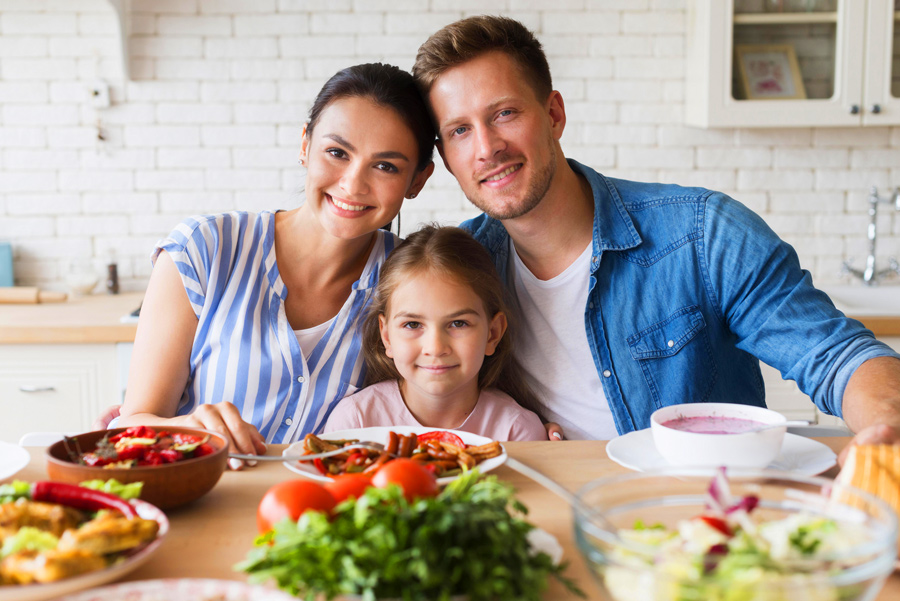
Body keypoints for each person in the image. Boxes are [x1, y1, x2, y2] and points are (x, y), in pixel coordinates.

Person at [412, 15, 900, 457]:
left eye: (504, 114)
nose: (487, 148)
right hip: (551, 503)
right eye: (459, 131)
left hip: (701, 509)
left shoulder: (704, 233)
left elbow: (837, 356)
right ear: (443, 157)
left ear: (554, 115)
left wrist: (887, 427)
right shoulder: (461, 268)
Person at [117, 63, 436, 463]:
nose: (353, 184)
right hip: (204, 505)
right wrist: (191, 429)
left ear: (418, 181)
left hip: (331, 516)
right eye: (337, 153)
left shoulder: (412, 279)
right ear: (305, 145)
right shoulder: (205, 249)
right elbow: (130, 426)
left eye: (386, 166)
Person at [324, 225, 548, 441]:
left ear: (493, 334)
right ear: (387, 336)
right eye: (412, 324)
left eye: (458, 323)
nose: (435, 348)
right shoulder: (355, 423)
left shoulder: (518, 431)